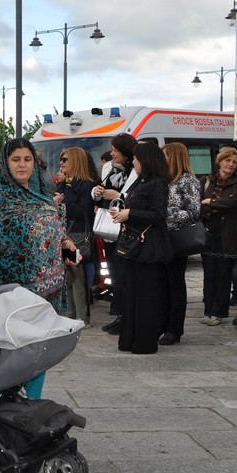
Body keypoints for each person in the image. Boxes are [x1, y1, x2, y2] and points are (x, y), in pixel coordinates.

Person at [0, 138, 79, 399]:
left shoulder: (43, 197)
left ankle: (31, 407)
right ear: (6, 163)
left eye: (27, 159)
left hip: (48, 293)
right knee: (5, 357)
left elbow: (58, 234)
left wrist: (68, 248)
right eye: (15, 159)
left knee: (37, 353)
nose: (22, 165)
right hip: (12, 292)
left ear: (34, 163)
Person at [108, 143, 173, 354]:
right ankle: (129, 339)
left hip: (148, 247)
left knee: (145, 296)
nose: (133, 161)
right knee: (132, 294)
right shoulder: (140, 181)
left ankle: (144, 342)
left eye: (136, 158)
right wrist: (122, 213)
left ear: (145, 160)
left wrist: (130, 213)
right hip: (134, 246)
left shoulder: (158, 183)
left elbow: (158, 214)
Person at [92, 133, 139, 334]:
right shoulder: (108, 168)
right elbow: (99, 188)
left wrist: (119, 196)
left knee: (125, 273)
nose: (111, 154)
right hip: (109, 226)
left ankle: (125, 315)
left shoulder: (136, 171)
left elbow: (139, 197)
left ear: (127, 154)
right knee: (112, 269)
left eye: (115, 151)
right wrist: (96, 192)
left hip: (128, 229)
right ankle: (118, 311)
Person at [198, 146, 237, 327]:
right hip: (208, 233)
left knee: (224, 274)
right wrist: (215, 205)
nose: (231, 165)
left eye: (234, 162)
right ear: (220, 161)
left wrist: (212, 202)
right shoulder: (206, 180)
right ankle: (207, 310)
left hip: (228, 234)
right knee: (209, 273)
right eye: (228, 160)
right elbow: (198, 203)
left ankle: (218, 312)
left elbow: (235, 202)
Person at [160, 142, 202, 345]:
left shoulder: (188, 181)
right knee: (163, 284)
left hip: (177, 238)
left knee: (175, 284)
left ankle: (175, 329)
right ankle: (164, 323)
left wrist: (163, 213)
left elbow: (193, 212)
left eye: (165, 155)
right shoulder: (165, 180)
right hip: (161, 237)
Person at [55, 147, 96, 324]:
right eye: (61, 159)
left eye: (65, 160)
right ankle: (70, 313)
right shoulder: (64, 183)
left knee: (77, 275)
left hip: (77, 233)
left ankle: (81, 315)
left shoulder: (86, 185)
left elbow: (85, 212)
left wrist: (64, 201)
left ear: (75, 162)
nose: (61, 163)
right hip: (64, 233)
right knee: (67, 274)